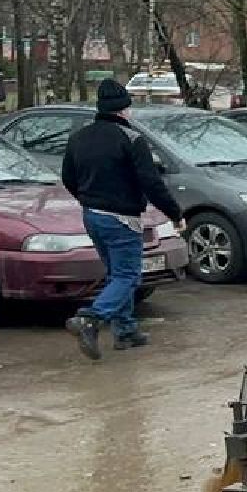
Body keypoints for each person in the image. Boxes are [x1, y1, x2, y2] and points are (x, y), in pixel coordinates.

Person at [59, 78, 182, 360]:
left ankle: (125, 330)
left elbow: (68, 177)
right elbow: (152, 183)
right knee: (128, 275)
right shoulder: (132, 139)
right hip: (121, 218)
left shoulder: (79, 138)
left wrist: (87, 199)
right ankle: (91, 318)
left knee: (117, 274)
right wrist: (175, 214)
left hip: (92, 216)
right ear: (125, 109)